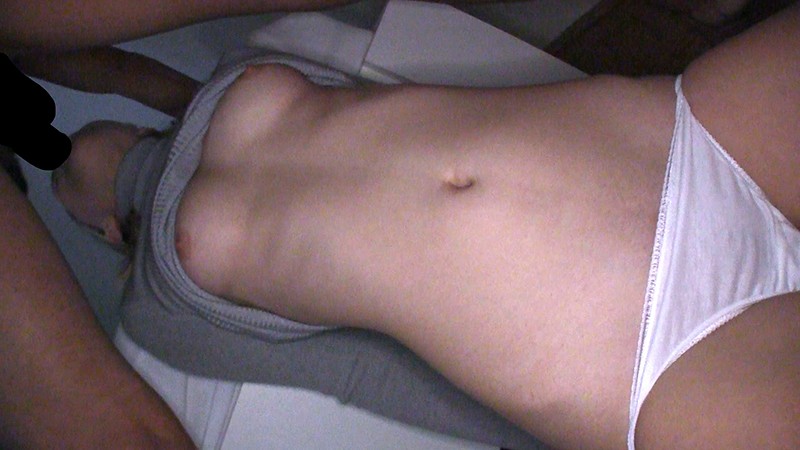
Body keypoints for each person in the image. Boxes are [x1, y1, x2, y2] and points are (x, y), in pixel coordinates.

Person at [52, 2, 800, 449]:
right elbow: (360, 370)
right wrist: (527, 428)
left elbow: (393, 116)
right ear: (109, 232)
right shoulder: (152, 309)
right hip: (638, 359)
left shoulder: (222, 82)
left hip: (687, 131)